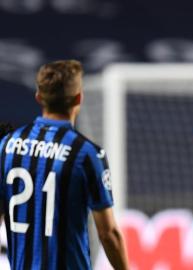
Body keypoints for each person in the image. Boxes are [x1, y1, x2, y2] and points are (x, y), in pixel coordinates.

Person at [0, 60, 129, 270]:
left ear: (39, 97)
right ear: (79, 98)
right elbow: (108, 234)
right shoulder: (86, 154)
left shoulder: (6, 146)